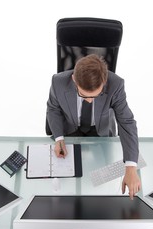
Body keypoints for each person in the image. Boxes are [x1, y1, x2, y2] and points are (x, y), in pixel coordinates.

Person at [46, 54, 140, 199]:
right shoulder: (58, 82)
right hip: (70, 130)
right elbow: (53, 109)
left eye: (95, 96)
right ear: (74, 80)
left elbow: (126, 122)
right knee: (64, 183)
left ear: (104, 81)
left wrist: (131, 166)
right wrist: (59, 138)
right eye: (83, 95)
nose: (89, 101)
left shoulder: (116, 84)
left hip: (100, 131)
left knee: (103, 183)